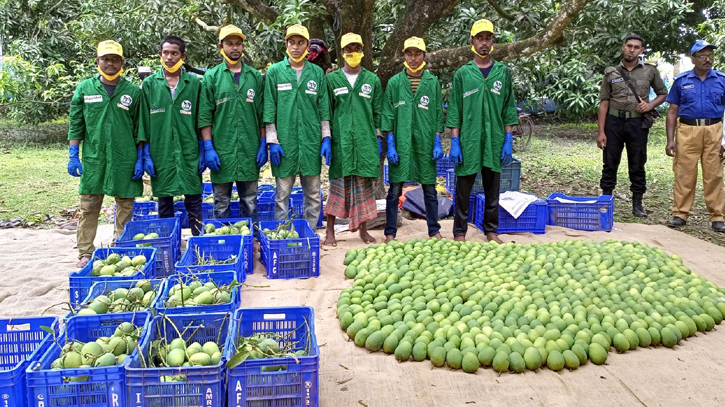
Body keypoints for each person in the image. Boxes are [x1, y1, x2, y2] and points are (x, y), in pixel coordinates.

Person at [67, 40, 142, 267]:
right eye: (106, 59)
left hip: (124, 157)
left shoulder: (133, 91)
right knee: (89, 205)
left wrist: (141, 157)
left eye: (115, 59)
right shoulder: (85, 88)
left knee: (125, 203)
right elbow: (76, 123)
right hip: (94, 157)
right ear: (97, 61)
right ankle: (85, 251)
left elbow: (140, 128)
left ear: (122, 63)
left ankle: (120, 245)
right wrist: (73, 152)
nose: (110, 63)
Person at [446, 19, 518, 244]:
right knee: (463, 190)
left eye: (488, 38)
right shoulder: (463, 74)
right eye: (480, 38)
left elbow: (508, 108)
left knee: (492, 189)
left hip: (495, 139)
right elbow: (455, 109)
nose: (484, 43)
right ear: (472, 42)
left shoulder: (502, 73)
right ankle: (459, 233)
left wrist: (508, 138)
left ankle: (491, 230)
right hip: (468, 140)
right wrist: (455, 141)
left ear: (493, 42)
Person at [264, 24, 331, 229]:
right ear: (286, 44)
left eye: (300, 42)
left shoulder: (317, 73)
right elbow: (269, 108)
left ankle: (310, 232)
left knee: (313, 193)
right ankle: (282, 233)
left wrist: (326, 137)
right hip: (285, 144)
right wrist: (272, 141)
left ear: (307, 46)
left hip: (310, 143)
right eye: (292, 42)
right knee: (282, 193)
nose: (296, 47)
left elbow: (323, 108)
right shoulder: (275, 72)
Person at [198, 25, 266, 223]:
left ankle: (252, 242)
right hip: (222, 149)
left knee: (250, 200)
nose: (234, 48)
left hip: (250, 149)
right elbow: (205, 116)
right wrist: (208, 147)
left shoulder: (254, 76)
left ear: (243, 46)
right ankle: (225, 241)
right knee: (221, 201)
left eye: (238, 43)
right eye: (229, 44)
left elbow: (262, 114)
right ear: (221, 46)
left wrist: (263, 144)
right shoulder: (212, 77)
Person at [138, 36, 204, 235]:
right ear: (160, 55)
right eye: (165, 53)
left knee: (194, 200)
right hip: (161, 150)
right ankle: (168, 243)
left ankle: (197, 241)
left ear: (183, 56)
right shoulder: (150, 84)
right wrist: (146, 153)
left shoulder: (193, 83)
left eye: (174, 53)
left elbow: (202, 118)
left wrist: (203, 148)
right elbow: (143, 121)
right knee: (164, 200)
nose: (169, 57)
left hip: (189, 149)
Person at [596, 34, 668, 217]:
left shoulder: (650, 71)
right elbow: (604, 102)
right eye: (629, 46)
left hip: (637, 123)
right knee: (609, 162)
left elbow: (663, 93)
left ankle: (637, 204)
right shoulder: (610, 72)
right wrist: (601, 131)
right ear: (623, 47)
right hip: (614, 122)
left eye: (636, 47)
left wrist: (650, 105)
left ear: (641, 51)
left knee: (637, 162)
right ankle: (606, 201)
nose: (632, 49)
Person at [381, 36, 444, 243]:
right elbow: (388, 116)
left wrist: (437, 141)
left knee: (429, 188)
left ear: (424, 56)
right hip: (400, 144)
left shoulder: (432, 82)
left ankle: (434, 230)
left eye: (417, 53)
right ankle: (390, 233)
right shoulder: (395, 83)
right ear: (404, 56)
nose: (413, 58)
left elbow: (436, 114)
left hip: (425, 143)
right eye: (409, 53)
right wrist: (390, 145)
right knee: (395, 190)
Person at [324, 33, 383, 246]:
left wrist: (378, 137)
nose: (353, 53)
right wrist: (327, 139)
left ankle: (363, 231)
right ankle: (330, 231)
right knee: (337, 187)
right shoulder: (331, 79)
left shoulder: (372, 80)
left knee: (363, 187)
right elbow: (326, 111)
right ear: (342, 53)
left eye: (357, 48)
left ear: (363, 51)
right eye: (349, 49)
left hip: (365, 142)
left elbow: (378, 112)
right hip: (341, 142)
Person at [664, 40, 725, 233]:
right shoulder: (681, 81)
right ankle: (680, 214)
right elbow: (672, 112)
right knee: (684, 174)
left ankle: (718, 217)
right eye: (702, 56)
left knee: (714, 175)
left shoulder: (722, 80)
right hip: (687, 132)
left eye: (710, 55)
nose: (707, 59)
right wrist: (670, 140)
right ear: (693, 59)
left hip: (714, 130)